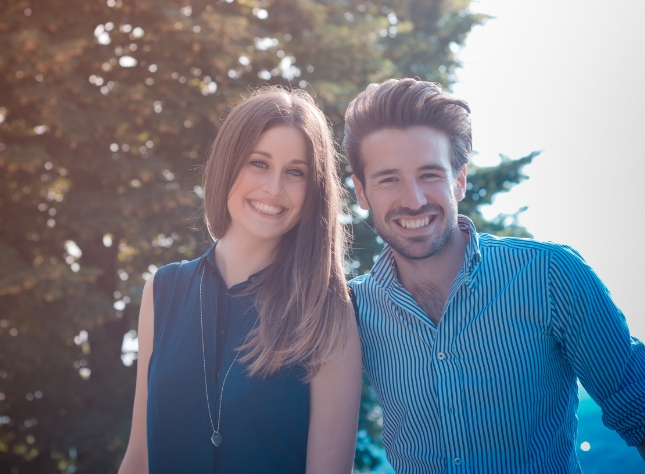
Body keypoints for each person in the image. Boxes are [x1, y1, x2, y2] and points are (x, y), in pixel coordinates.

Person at [344, 78, 645, 472]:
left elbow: (636, 406)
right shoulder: (351, 309)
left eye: (430, 174)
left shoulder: (550, 275)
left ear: (460, 181)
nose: (413, 199)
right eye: (388, 179)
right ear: (362, 193)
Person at [118, 87, 362, 474]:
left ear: (314, 189)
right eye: (259, 163)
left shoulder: (329, 310)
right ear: (228, 163)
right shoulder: (163, 290)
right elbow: (139, 460)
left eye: (295, 172)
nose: (274, 189)